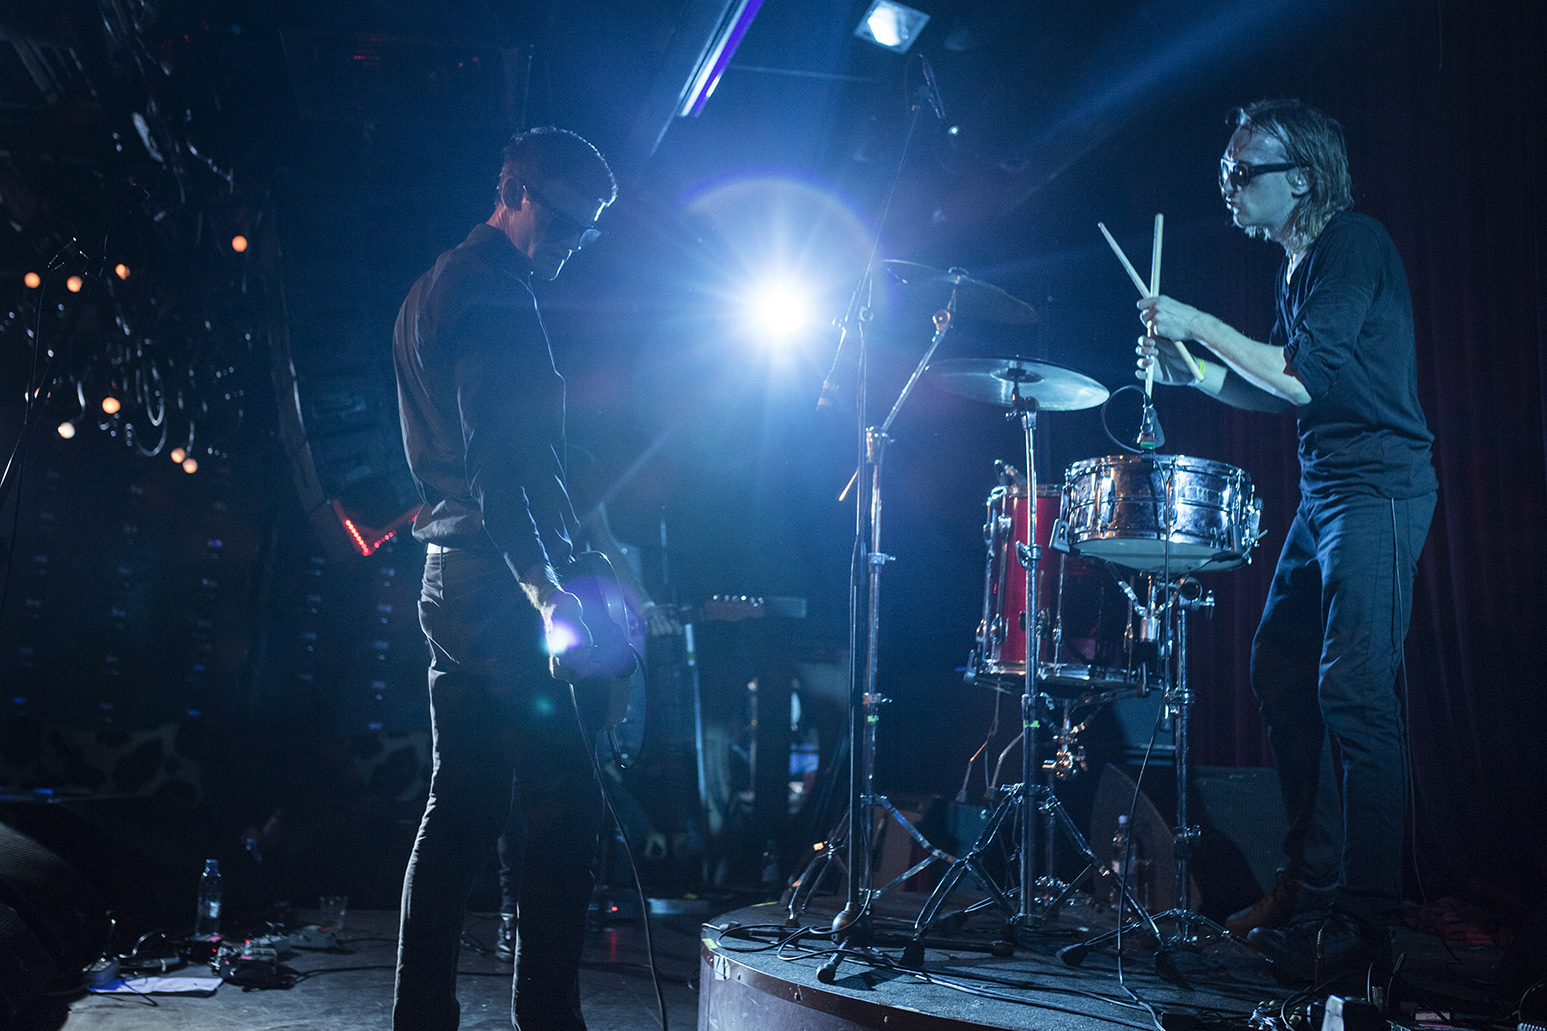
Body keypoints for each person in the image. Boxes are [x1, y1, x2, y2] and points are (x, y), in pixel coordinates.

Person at [1136, 99, 1436, 983]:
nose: (1227, 186)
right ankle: (1303, 891)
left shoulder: (1352, 244)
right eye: (1224, 172)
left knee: (1355, 696)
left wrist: (1194, 321)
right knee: (1278, 666)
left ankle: (1364, 924)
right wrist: (1193, 373)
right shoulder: (1297, 266)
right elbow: (1277, 388)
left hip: (1377, 489)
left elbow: (1300, 378)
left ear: (1300, 178)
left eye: (1242, 172)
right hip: (1326, 492)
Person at [392, 126, 628, 1031]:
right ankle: (549, 1019)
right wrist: (545, 589)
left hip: (448, 579)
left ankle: (421, 1017)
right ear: (515, 191)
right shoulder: (493, 293)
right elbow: (499, 467)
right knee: (565, 809)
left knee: (460, 805)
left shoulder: (429, 288)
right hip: (501, 588)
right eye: (563, 222)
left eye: (588, 231)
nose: (572, 243)